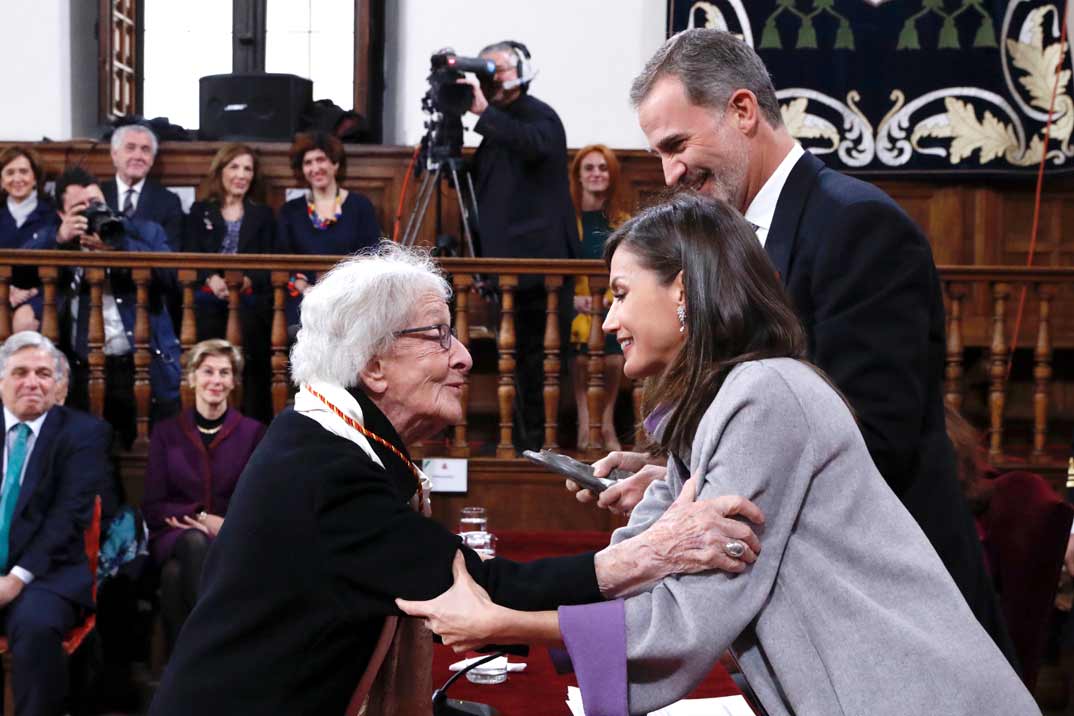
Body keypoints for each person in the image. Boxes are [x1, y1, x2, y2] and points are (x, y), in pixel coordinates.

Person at [399, 194, 1039, 716]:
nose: (609, 322)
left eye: (621, 294)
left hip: (914, 694)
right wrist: (509, 610)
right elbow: (637, 558)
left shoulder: (766, 395)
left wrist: (505, 621)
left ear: (683, 290)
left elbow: (686, 617)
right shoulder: (705, 410)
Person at [149, 243, 763, 716]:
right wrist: (653, 553)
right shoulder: (324, 467)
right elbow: (485, 586)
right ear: (373, 364)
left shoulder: (326, 438)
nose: (465, 356)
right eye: (438, 334)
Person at [574, 28, 1012, 658]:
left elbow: (871, 437)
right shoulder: (739, 242)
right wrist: (674, 477)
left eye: (676, 145)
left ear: (743, 111)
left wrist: (719, 487)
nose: (670, 173)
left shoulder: (858, 226)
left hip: (895, 618)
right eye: (659, 153)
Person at [466, 40, 578, 452]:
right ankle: (516, 445)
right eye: (486, 68)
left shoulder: (540, 117)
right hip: (506, 272)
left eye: (497, 68)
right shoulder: (496, 129)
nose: (490, 76)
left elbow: (532, 145)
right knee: (511, 368)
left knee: (534, 368)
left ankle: (534, 450)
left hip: (540, 272)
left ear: (520, 72)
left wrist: (483, 113)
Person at [26, 167, 182, 447]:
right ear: (63, 215)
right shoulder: (56, 242)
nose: (91, 212)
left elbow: (171, 276)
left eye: (96, 204)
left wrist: (119, 247)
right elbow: (18, 273)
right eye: (79, 208)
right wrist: (58, 239)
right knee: (86, 454)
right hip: (81, 369)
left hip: (143, 365)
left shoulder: (142, 230)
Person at [0, 331, 110, 716]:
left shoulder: (82, 433)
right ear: (1, 381)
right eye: (21, 372)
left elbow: (68, 518)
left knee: (36, 628)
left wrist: (15, 580)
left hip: (46, 574)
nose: (32, 382)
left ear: (58, 383)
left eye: (44, 373)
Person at [142, 339, 266, 652]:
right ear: (193, 377)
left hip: (231, 537)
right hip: (175, 535)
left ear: (233, 381)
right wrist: (202, 518)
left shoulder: (252, 433)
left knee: (173, 579)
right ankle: (217, 643)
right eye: (208, 371)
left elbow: (257, 500)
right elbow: (154, 506)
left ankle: (181, 668)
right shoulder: (166, 433)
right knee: (194, 542)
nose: (216, 380)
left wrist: (225, 525)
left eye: (224, 373)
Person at [184, 144, 276, 423]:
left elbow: (273, 261)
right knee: (206, 324)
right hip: (209, 298)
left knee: (253, 334)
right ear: (221, 171)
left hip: (249, 298)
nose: (241, 175)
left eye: (247, 169)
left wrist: (246, 279)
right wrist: (210, 278)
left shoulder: (263, 215)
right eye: (234, 167)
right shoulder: (201, 211)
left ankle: (251, 421)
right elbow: (188, 254)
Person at [276, 131, 380, 327]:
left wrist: (340, 289)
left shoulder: (360, 206)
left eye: (321, 160)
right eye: (308, 163)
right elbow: (283, 258)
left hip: (350, 299)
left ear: (335, 163)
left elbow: (372, 254)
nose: (315, 168)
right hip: (304, 298)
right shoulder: (290, 211)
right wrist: (306, 288)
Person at [568, 144, 629, 450]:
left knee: (616, 355)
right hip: (575, 307)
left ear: (611, 175)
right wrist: (576, 301)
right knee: (581, 351)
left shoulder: (623, 221)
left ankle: (605, 424)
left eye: (602, 168)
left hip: (610, 306)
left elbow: (630, 270)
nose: (596, 174)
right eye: (589, 168)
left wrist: (611, 300)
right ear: (578, 176)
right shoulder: (569, 221)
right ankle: (584, 422)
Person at [0, 146, 57, 332]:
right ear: (1, 180)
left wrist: (31, 292)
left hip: (41, 293)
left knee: (23, 321)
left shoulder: (52, 214)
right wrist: (6, 291)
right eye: (9, 173)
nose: (17, 179)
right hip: (2, 291)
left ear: (35, 178)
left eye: (24, 172)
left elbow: (62, 267)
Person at [103, 124, 184, 251]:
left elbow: (169, 258)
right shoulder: (97, 194)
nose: (138, 156)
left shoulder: (168, 202)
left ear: (152, 159)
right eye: (130, 148)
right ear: (114, 154)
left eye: (145, 150)